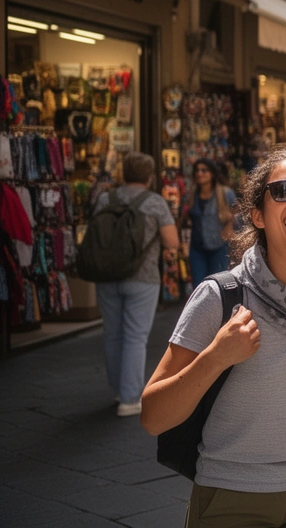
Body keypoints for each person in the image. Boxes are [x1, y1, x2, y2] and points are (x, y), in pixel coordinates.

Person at [141, 147, 286, 527]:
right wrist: (216, 356)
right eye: (282, 190)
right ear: (257, 215)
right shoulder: (220, 297)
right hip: (232, 496)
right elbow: (153, 416)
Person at [94, 152, 179, 417]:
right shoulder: (154, 202)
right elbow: (172, 241)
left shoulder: (106, 199)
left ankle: (119, 388)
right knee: (135, 336)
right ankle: (130, 399)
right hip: (142, 277)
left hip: (107, 275)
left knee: (112, 333)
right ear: (149, 176)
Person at [186, 157, 237, 280]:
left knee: (217, 284)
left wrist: (230, 227)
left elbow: (239, 212)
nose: (200, 173)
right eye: (197, 171)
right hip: (197, 247)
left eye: (204, 170)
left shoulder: (225, 193)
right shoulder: (192, 194)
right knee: (198, 285)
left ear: (212, 173)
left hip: (219, 246)